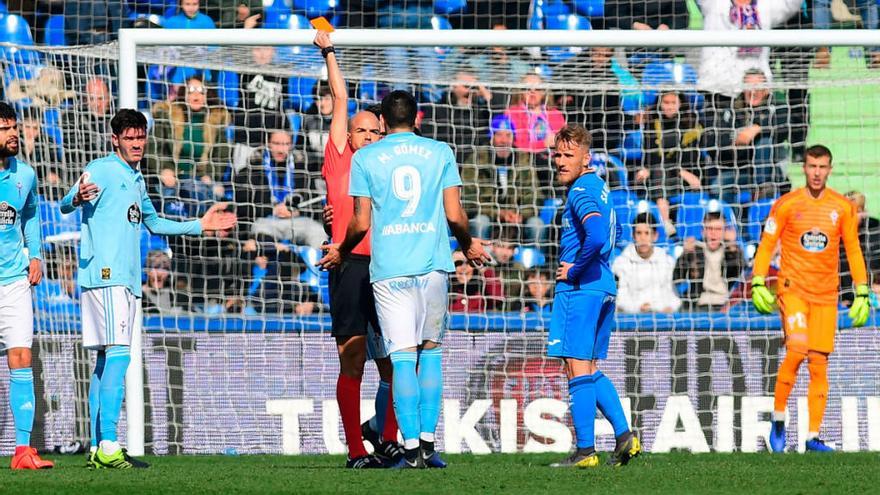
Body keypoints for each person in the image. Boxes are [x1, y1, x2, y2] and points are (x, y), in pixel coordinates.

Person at [318, 89, 490, 469]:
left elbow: (361, 222)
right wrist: (467, 243)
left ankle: (408, 445)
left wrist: (341, 247)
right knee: (428, 354)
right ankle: (425, 443)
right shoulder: (440, 151)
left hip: (388, 269)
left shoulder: (367, 158)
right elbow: (455, 214)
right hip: (431, 267)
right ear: (417, 118)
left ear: (383, 123)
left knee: (400, 359)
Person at [60, 109, 237, 469]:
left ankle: (99, 446)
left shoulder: (136, 178)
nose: (137, 143)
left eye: (141, 137)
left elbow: (154, 223)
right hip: (107, 276)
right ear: (115, 139)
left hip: (122, 279)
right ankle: (109, 443)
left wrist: (199, 225)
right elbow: (67, 202)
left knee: (104, 361)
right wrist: (76, 197)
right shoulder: (104, 168)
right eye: (129, 137)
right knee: (121, 355)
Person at [311, 31, 401, 469]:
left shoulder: (388, 169)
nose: (366, 135)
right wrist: (329, 52)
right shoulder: (339, 157)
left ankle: (386, 439)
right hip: (347, 265)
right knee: (353, 360)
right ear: (348, 133)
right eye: (360, 129)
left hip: (385, 267)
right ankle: (354, 449)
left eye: (374, 130)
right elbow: (341, 96)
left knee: (393, 364)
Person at [750, 145, 871, 453]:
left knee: (819, 364)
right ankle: (778, 420)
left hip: (826, 296)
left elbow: (854, 250)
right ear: (803, 168)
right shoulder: (787, 204)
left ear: (830, 170)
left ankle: (812, 436)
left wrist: (862, 290)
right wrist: (758, 281)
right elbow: (766, 244)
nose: (817, 172)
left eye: (822, 167)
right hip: (793, 290)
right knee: (797, 348)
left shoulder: (843, 207)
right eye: (812, 166)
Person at [547, 124, 640, 468]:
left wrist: (572, 270)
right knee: (587, 367)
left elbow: (598, 235)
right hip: (603, 285)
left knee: (575, 365)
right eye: (557, 154)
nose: (560, 161)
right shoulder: (599, 186)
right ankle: (624, 436)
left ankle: (585, 451)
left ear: (586, 159)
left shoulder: (580, 191)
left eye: (568, 155)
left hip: (581, 286)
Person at [0, 102, 53, 470]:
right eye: (4, 128)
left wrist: (35, 254)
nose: (13, 133)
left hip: (15, 280)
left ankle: (22, 451)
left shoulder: (26, 175)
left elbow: (31, 213)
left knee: (21, 358)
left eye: (14, 127)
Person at [612, 213, 682, 313]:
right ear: (633, 236)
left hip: (662, 319)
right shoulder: (621, 263)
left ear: (655, 236)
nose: (643, 238)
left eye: (647, 233)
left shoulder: (667, 261)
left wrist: (666, 308)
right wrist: (639, 307)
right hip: (631, 319)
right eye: (639, 233)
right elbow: (620, 299)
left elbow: (674, 297)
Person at [674, 211, 745, 310]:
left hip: (725, 304)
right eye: (709, 228)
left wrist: (732, 247)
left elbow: (739, 274)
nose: (713, 233)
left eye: (718, 229)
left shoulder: (730, 251)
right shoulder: (695, 250)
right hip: (699, 304)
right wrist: (685, 255)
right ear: (703, 231)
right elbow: (677, 278)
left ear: (725, 232)